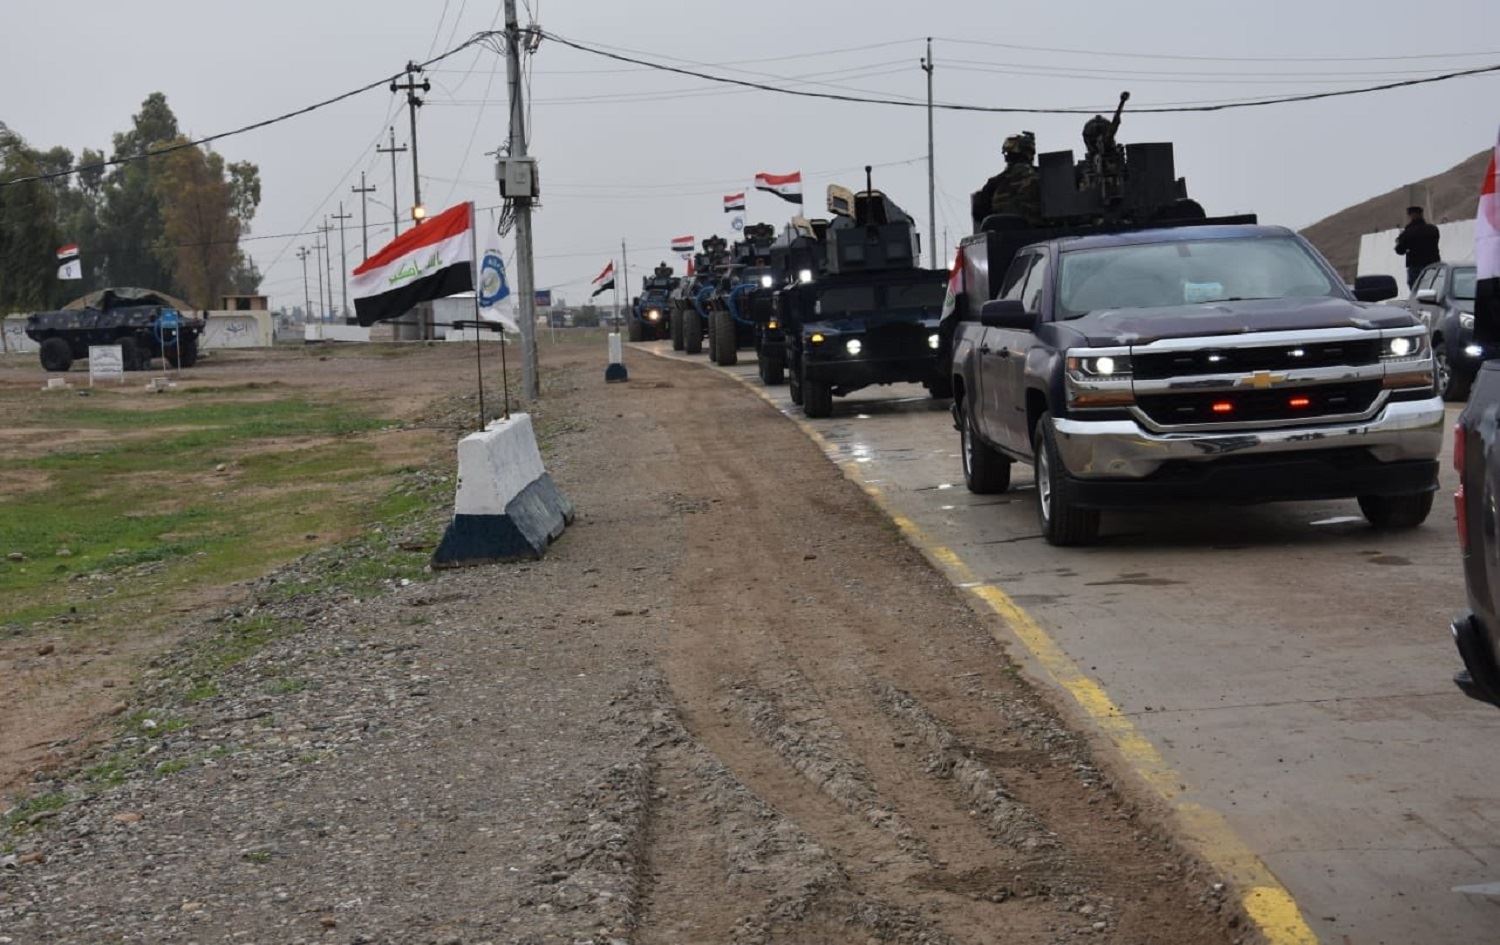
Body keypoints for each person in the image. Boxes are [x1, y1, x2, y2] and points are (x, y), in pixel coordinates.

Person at [971, 132, 1040, 230]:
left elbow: (979, 212)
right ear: (1029, 154)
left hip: (1003, 235)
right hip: (1043, 233)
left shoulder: (995, 182)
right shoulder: (1045, 176)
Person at [1395, 205, 1441, 288]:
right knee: (1433, 288)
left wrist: (1399, 240)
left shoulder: (1408, 232)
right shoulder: (1433, 229)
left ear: (1411, 216)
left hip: (1415, 266)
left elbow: (1400, 250)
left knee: (1416, 289)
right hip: (1433, 265)